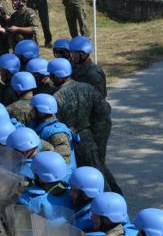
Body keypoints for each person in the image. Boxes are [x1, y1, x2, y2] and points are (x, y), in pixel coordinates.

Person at [49, 58, 122, 194]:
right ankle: (115, 195)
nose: (50, 79)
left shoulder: (56, 98)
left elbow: (53, 124)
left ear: (56, 76)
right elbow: (105, 109)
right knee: (98, 168)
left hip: (71, 142)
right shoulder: (86, 87)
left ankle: (107, 198)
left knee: (89, 176)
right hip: (88, 137)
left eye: (51, 76)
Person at [29, 93, 77, 165]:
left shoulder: (57, 133)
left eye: (33, 109)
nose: (31, 111)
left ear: (41, 111)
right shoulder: (36, 125)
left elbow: (63, 163)